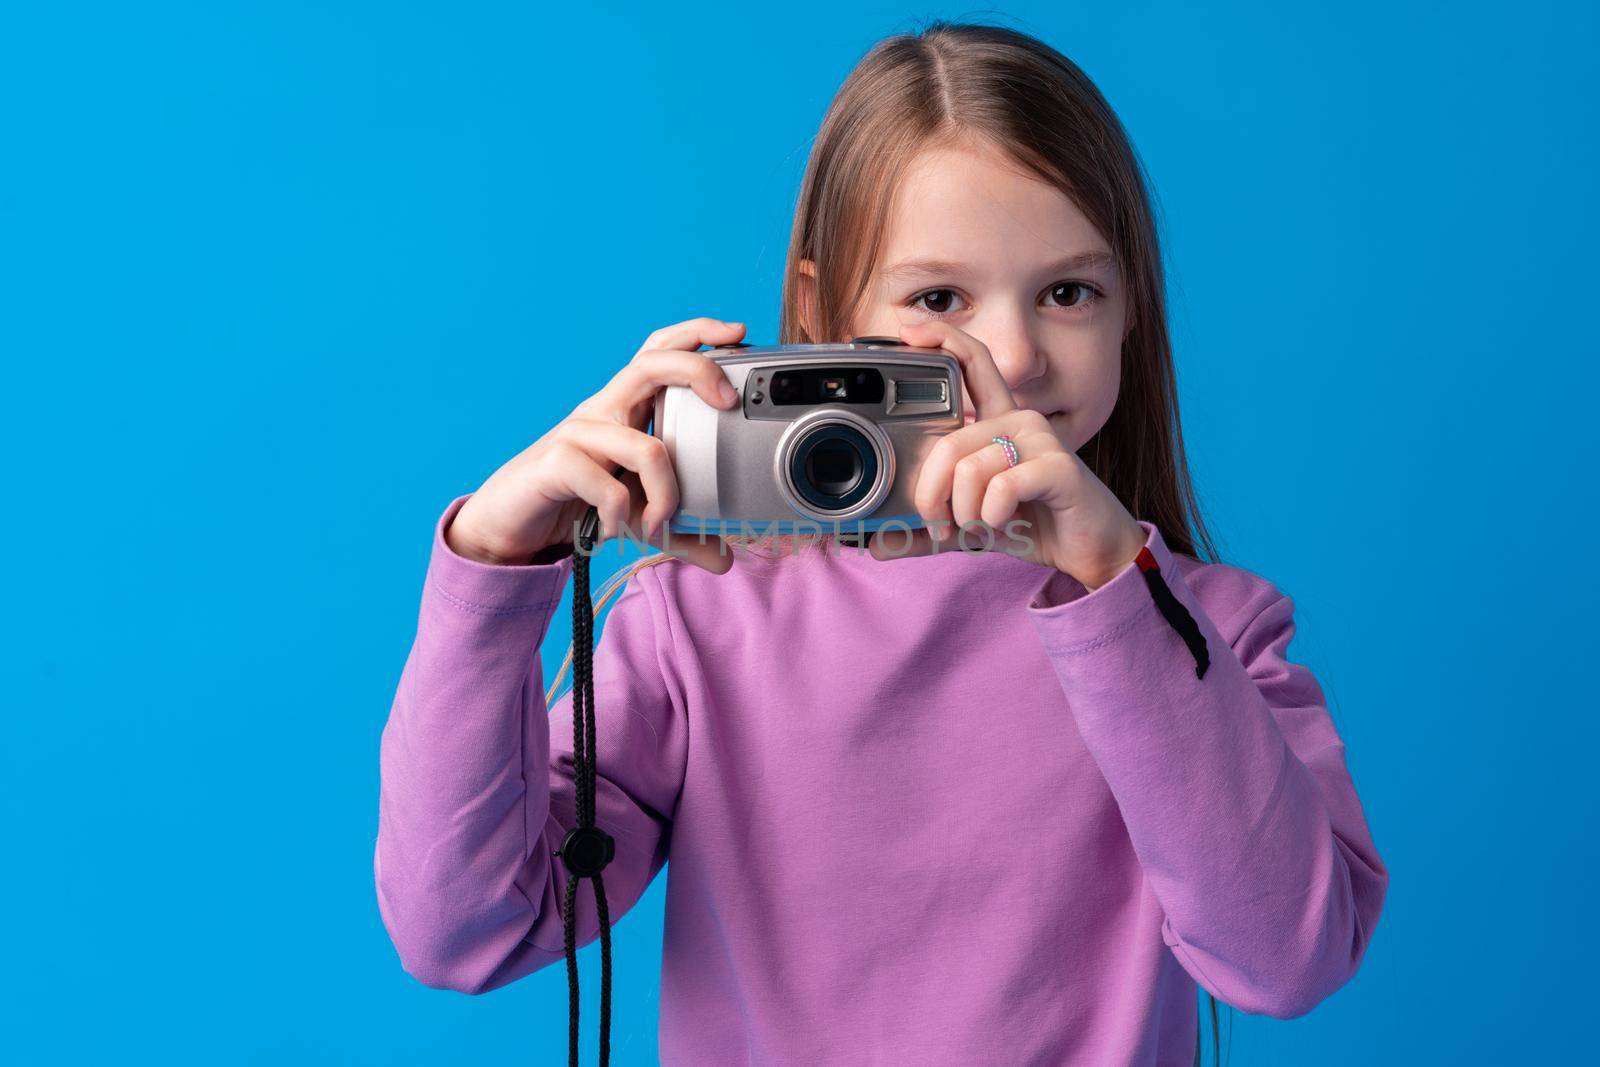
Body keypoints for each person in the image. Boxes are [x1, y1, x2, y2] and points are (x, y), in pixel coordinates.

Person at [373, 20, 1387, 1066]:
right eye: (938, 298)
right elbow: (467, 927)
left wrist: (1107, 586)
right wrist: (492, 569)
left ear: (1132, 309)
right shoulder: (697, 620)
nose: (1014, 354)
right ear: (825, 316)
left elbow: (1286, 959)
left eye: (1069, 291)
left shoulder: (1205, 626)